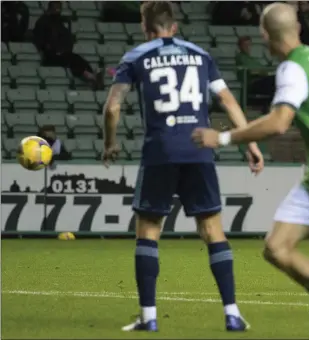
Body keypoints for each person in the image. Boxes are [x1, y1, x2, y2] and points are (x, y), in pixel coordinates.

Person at [103, 1, 264, 333]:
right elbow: (228, 100)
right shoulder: (200, 55)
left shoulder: (136, 56)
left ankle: (148, 317)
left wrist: (110, 143)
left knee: (148, 230)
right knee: (213, 231)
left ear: (145, 27)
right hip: (199, 148)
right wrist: (250, 142)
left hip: (160, 151)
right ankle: (232, 314)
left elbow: (113, 106)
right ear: (173, 26)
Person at [192, 2, 309, 294]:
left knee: (278, 248)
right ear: (296, 28)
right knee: (277, 247)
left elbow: (279, 122)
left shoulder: (293, 68)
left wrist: (222, 138)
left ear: (265, 36)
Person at [33, 1, 102, 89]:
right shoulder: (42, 22)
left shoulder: (59, 23)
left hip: (63, 53)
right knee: (72, 59)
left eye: (59, 8)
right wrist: (51, 49)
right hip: (50, 57)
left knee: (77, 59)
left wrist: (63, 49)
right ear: (50, 8)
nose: (58, 11)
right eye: (56, 8)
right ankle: (91, 77)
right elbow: (40, 41)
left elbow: (67, 40)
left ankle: (92, 76)